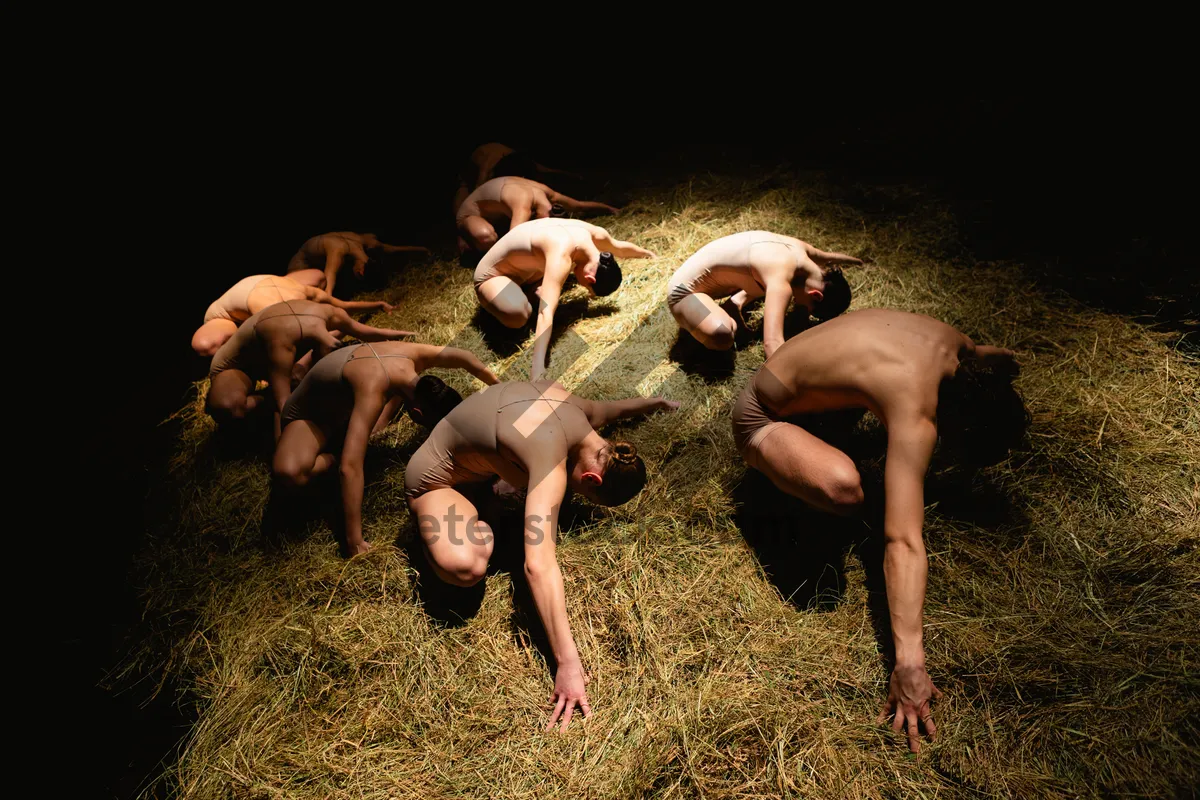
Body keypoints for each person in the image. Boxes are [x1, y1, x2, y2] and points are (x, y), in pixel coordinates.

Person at [731, 308, 1028, 753]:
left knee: (865, 434)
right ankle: (774, 468)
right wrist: (909, 664)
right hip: (760, 411)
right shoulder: (915, 410)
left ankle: (820, 423)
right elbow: (902, 541)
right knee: (845, 490)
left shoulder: (960, 349)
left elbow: (998, 358)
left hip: (809, 380)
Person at [405, 379, 679, 730]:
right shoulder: (550, 462)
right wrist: (567, 663)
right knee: (466, 566)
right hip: (435, 482)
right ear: (592, 479)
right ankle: (474, 523)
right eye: (585, 495)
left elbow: (613, 409)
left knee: (516, 482)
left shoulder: (579, 410)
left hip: (477, 468)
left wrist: (653, 402)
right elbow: (538, 565)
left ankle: (487, 504)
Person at [273, 342, 500, 556]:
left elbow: (465, 357)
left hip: (347, 403)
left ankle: (350, 436)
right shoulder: (373, 392)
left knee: (374, 420)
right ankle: (331, 454)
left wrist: (500, 390)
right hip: (311, 418)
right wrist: (355, 542)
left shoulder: (414, 355)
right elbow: (349, 468)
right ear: (417, 415)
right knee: (291, 473)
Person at [206, 299, 416, 439]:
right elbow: (284, 406)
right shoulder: (281, 341)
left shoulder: (332, 314)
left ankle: (298, 385)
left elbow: (368, 332)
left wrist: (406, 338)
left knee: (317, 388)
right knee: (232, 408)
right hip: (237, 367)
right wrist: (283, 451)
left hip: (283, 359)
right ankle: (272, 398)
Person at [473, 218, 654, 379]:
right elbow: (546, 312)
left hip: (528, 271)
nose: (583, 287)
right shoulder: (561, 256)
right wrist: (538, 367)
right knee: (520, 314)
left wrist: (649, 255)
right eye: (587, 288)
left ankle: (519, 293)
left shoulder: (595, 236)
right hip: (492, 275)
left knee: (546, 291)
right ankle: (500, 303)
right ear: (590, 279)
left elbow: (619, 248)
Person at [667, 231, 862, 358]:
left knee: (764, 279)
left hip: (722, 279)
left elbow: (827, 257)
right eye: (807, 308)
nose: (799, 306)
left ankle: (735, 302)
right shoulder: (780, 277)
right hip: (684, 292)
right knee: (722, 334)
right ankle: (725, 310)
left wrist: (858, 261)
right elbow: (772, 343)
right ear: (815, 295)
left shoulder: (801, 250)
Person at [192, 274, 394, 357]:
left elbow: (342, 308)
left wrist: (377, 305)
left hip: (261, 290)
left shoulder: (301, 294)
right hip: (238, 305)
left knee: (317, 276)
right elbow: (344, 307)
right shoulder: (293, 296)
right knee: (205, 345)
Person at [456, 176, 619, 253]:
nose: (546, 222)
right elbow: (514, 240)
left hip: (496, 211)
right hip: (469, 213)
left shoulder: (549, 194)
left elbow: (578, 205)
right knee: (487, 236)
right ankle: (468, 243)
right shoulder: (523, 203)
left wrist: (609, 209)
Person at [286, 232, 430, 297]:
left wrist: (421, 250)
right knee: (314, 286)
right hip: (299, 266)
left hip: (315, 260)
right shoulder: (338, 251)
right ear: (360, 271)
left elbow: (392, 249)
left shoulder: (367, 241)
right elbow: (329, 280)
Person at [454, 142, 581, 212]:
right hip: (469, 170)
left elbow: (546, 170)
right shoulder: (487, 166)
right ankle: (459, 228)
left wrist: (571, 176)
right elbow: (478, 189)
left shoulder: (522, 161)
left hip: (508, 160)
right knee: (465, 190)